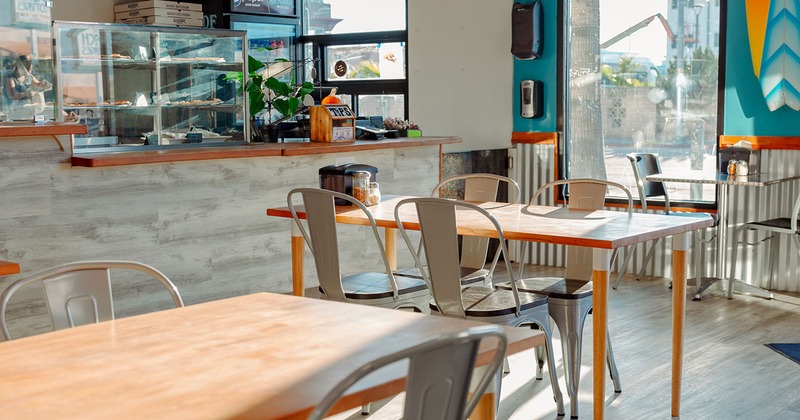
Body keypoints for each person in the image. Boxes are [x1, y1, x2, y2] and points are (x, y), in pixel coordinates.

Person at [3, 55, 51, 119]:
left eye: (31, 69)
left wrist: (43, 84)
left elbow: (37, 84)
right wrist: (26, 94)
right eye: (28, 69)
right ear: (21, 68)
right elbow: (12, 95)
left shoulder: (29, 76)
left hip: (27, 108)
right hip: (16, 110)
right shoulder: (11, 79)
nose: (30, 71)